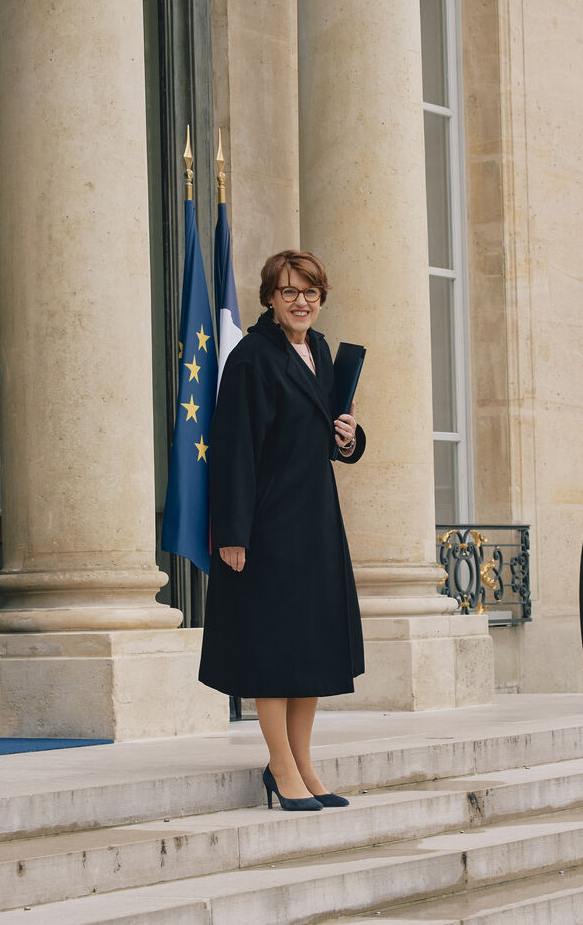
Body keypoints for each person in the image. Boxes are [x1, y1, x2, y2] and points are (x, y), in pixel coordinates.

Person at [199, 249, 366, 811]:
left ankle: (304, 764)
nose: (301, 302)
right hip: (267, 523)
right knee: (272, 650)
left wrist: (349, 437)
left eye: (310, 292)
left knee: (308, 648)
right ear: (270, 297)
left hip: (315, 520)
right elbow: (233, 451)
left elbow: (325, 437)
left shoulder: (319, 350)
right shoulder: (251, 358)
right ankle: (280, 766)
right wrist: (233, 533)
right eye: (289, 291)